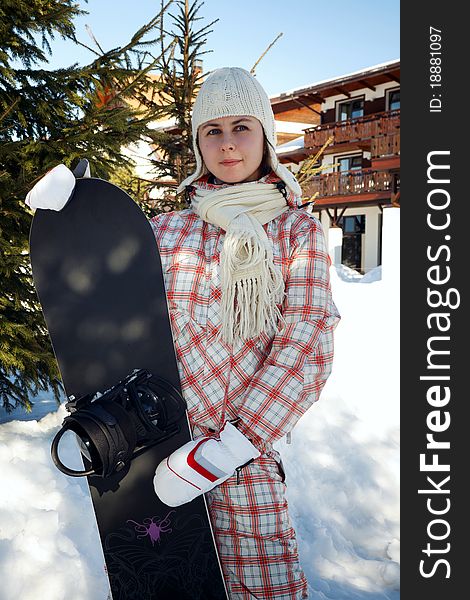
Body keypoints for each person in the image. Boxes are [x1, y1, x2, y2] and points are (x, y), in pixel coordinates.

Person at [26, 67, 341, 599]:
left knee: (266, 585)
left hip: (243, 456)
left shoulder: (297, 232)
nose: (228, 143)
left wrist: (227, 449)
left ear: (264, 134)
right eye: (211, 131)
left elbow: (306, 346)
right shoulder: (169, 230)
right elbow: (107, 281)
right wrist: (69, 212)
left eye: (241, 126)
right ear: (198, 144)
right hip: (162, 444)